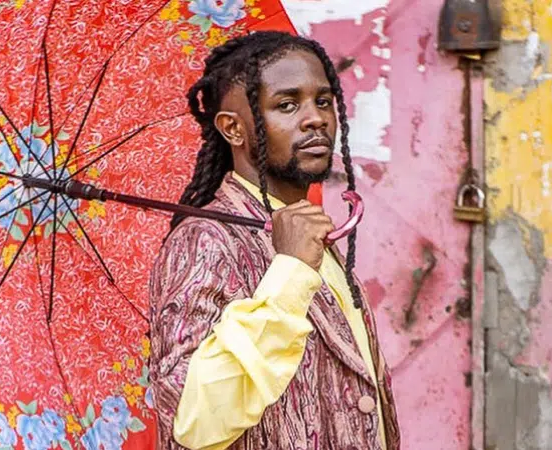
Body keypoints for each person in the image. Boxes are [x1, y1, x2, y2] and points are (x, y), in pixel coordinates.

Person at [148, 31, 400, 450]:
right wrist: (290, 272)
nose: (316, 118)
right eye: (287, 105)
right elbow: (192, 418)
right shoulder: (205, 241)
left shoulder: (311, 233)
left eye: (322, 100)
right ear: (233, 128)